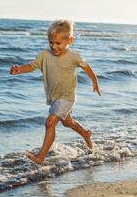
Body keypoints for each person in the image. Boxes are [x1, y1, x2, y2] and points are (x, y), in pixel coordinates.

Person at [10, 19, 101, 164]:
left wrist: (95, 81)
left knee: (50, 122)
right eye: (51, 42)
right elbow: (33, 66)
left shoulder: (73, 56)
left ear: (69, 41)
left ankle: (41, 155)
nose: (54, 46)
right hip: (55, 98)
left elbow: (86, 66)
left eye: (58, 43)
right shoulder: (45, 55)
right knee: (67, 123)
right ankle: (85, 134)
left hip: (67, 97)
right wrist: (19, 70)